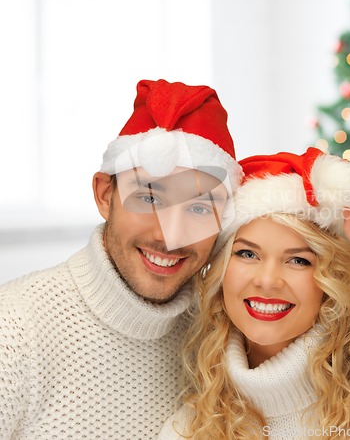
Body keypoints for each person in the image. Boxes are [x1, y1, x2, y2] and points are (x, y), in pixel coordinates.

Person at [159, 147, 350, 439]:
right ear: (221, 269)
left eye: (298, 260)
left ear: (329, 277)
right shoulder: (191, 428)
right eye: (247, 254)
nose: (268, 281)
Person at [0, 79, 242, 439]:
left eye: (198, 207)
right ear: (104, 194)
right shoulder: (14, 330)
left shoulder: (220, 336)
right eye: (149, 198)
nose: (169, 236)